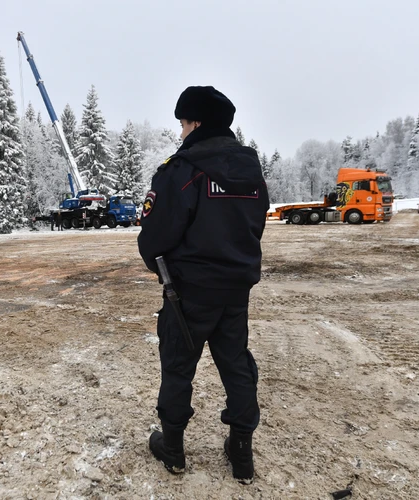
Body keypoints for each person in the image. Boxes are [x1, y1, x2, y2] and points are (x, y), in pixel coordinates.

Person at [137, 86, 269, 484]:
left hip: (188, 294)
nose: (180, 132)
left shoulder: (183, 169)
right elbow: (256, 223)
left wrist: (161, 266)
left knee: (178, 367)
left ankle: (173, 449)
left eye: (182, 124)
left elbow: (155, 234)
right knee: (237, 367)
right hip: (235, 291)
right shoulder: (250, 168)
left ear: (195, 122)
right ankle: (241, 452)